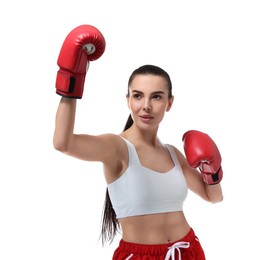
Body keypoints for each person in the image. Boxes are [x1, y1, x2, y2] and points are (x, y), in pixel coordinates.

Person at [53, 24, 223, 260]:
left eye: (156, 97)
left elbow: (214, 197)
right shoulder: (117, 148)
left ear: (169, 103)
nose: (146, 105)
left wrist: (211, 169)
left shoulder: (173, 153)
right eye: (138, 95)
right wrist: (71, 81)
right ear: (128, 100)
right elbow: (64, 143)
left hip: (188, 250)